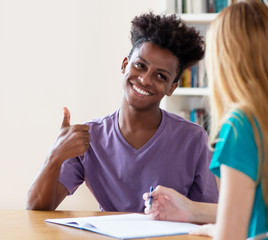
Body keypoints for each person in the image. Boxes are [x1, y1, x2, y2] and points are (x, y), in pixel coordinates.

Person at [143, 1, 268, 239]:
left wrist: (212, 232)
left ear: (225, 62)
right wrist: (203, 221)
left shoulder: (242, 125)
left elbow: (230, 236)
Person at [26, 12, 218, 212]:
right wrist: (55, 155)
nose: (145, 79)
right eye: (140, 66)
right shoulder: (88, 138)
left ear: (172, 87)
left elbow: (210, 216)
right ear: (125, 65)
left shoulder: (194, 140)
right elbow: (36, 208)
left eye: (160, 76)